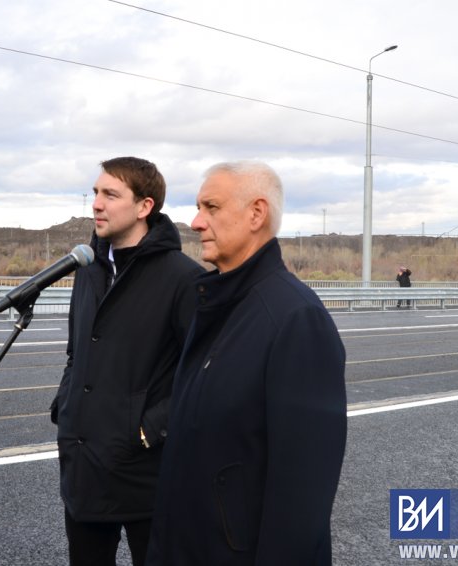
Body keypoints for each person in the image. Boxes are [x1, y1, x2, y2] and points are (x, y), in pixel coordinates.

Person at [147, 161, 347, 565]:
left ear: (256, 213)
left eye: (211, 207)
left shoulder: (294, 318)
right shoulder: (218, 303)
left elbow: (301, 497)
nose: (196, 221)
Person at [50, 156, 204, 566]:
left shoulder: (183, 278)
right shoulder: (87, 268)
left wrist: (148, 431)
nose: (96, 204)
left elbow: (204, 374)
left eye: (110, 195)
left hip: (146, 475)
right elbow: (76, 351)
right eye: (96, 193)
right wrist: (65, 406)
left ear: (144, 207)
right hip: (84, 465)